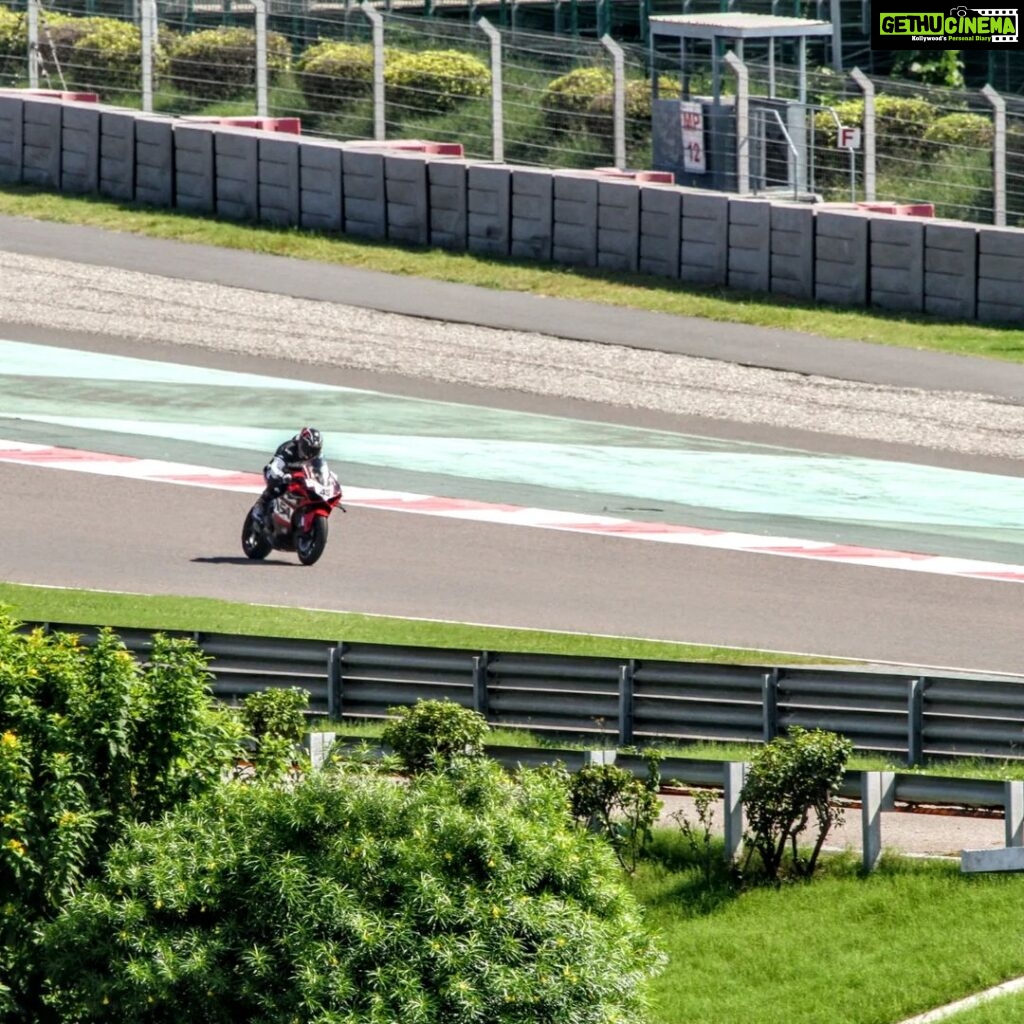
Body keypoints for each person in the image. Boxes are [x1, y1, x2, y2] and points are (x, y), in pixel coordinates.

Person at [253, 427, 324, 525]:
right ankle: (260, 507)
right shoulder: (288, 448)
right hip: (279, 473)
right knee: (277, 486)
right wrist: (282, 476)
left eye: (314, 450)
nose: (311, 453)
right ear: (302, 444)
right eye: (309, 449)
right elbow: (275, 466)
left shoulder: (317, 455)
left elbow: (321, 469)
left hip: (299, 477)